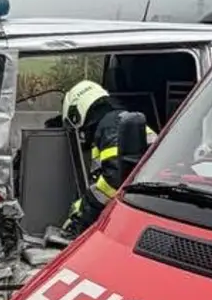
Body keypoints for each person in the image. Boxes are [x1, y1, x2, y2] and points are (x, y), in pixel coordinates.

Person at [53, 79, 154, 241]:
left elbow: (113, 181)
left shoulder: (110, 126)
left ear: (77, 112)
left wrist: (82, 215)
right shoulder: (114, 122)